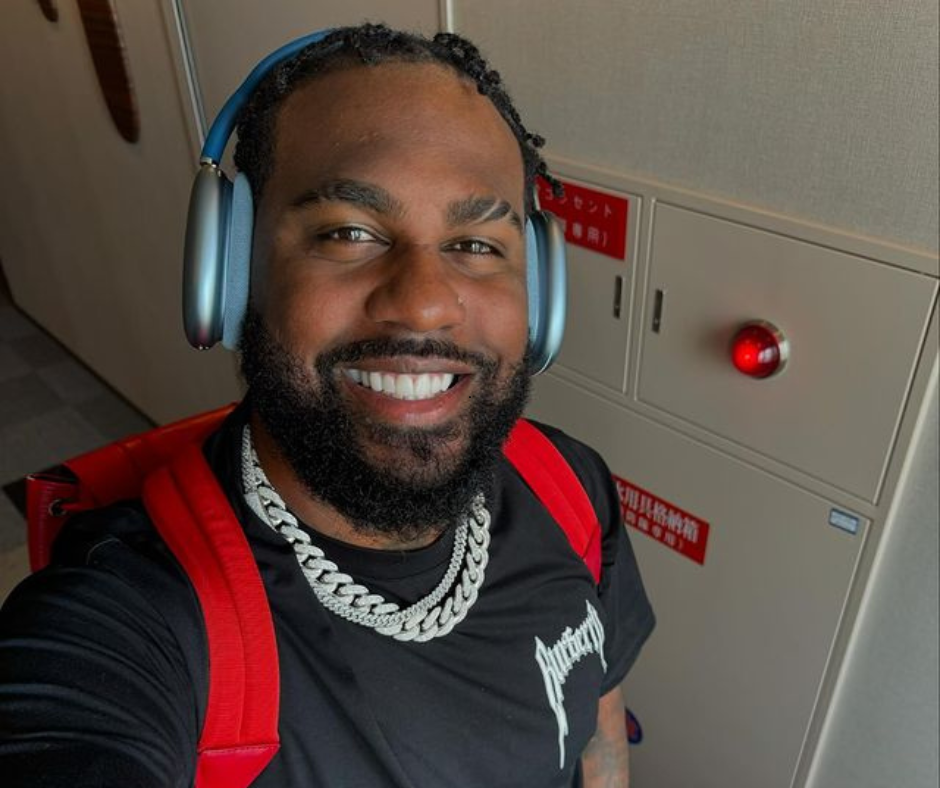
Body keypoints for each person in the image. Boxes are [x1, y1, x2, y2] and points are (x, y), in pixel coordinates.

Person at [0, 23, 654, 788]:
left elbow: (600, 726)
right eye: (348, 232)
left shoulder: (570, 488)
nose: (424, 303)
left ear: (538, 295)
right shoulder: (136, 618)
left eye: (477, 244)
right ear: (231, 273)